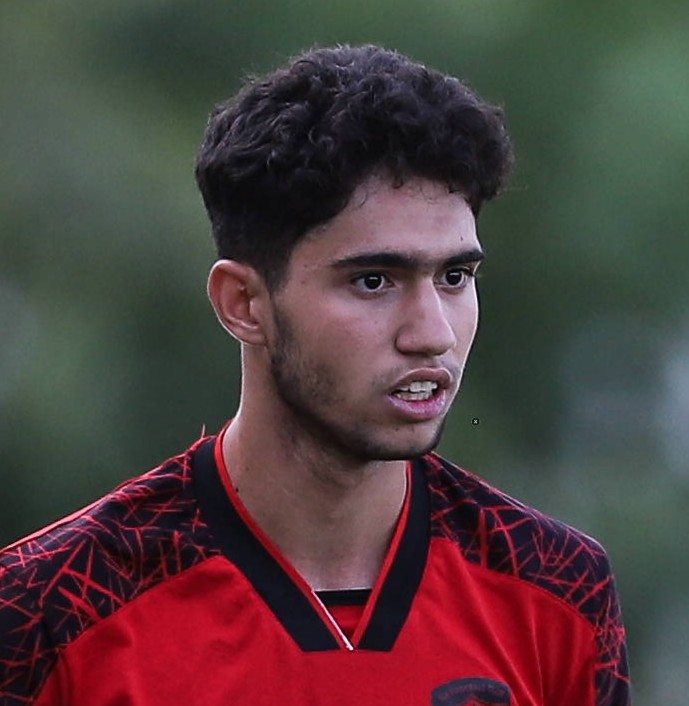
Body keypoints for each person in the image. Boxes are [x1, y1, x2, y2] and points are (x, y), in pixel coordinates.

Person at [0, 44, 630, 706]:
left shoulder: (559, 588)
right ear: (244, 304)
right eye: (373, 280)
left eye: (454, 276)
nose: (432, 334)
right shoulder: (48, 607)